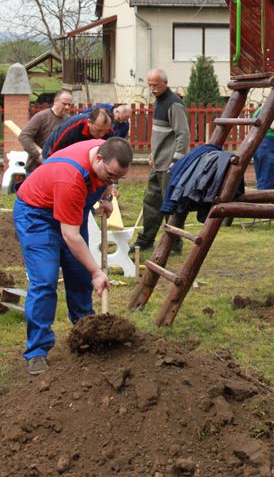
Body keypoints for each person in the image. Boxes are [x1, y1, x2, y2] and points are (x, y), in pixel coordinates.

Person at [13, 136, 133, 375]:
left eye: (118, 178)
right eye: (110, 176)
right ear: (98, 158)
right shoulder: (71, 177)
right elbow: (70, 235)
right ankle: (37, 350)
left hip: (68, 210)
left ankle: (86, 334)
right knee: (45, 280)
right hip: (37, 217)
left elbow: (108, 177)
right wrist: (97, 272)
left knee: (79, 275)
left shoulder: (105, 151)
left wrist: (106, 196)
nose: (113, 181)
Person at [130, 68, 190, 254]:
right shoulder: (158, 102)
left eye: (156, 85)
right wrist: (152, 153)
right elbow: (160, 134)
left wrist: (176, 160)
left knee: (169, 206)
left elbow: (183, 134)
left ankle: (174, 244)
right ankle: (146, 240)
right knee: (150, 202)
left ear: (165, 83)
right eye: (150, 85)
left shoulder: (174, 104)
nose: (152, 88)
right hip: (157, 163)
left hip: (169, 165)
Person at [18, 90, 73, 173]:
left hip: (58, 168)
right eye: (64, 104)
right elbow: (24, 136)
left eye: (69, 105)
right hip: (36, 169)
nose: (67, 107)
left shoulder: (69, 121)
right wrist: (38, 156)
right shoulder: (41, 117)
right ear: (55, 101)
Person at [42, 106, 113, 159]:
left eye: (105, 131)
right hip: (53, 149)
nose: (102, 135)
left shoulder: (109, 132)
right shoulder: (74, 127)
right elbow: (56, 148)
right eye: (98, 130)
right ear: (89, 122)